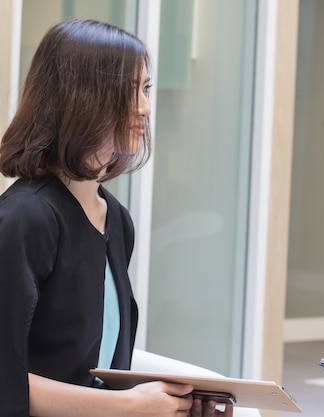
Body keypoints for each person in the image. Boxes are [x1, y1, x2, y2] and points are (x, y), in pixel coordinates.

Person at [0, 19, 232, 417]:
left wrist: (172, 402)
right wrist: (125, 405)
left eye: (145, 89)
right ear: (79, 96)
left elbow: (95, 366)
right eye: (128, 90)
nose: (144, 107)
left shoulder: (117, 220)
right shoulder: (26, 218)